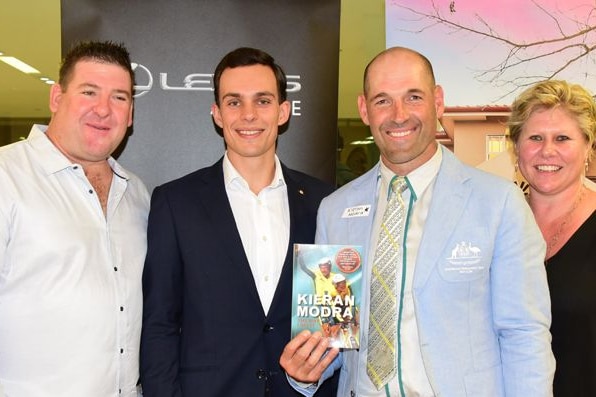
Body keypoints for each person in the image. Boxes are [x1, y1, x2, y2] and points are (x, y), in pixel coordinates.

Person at [280, 46, 555, 396]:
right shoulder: (335, 210)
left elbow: (524, 334)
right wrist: (308, 369)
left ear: (438, 102)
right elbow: (333, 333)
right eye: (382, 100)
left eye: (413, 97)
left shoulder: (498, 203)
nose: (398, 115)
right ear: (364, 109)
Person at [140, 47, 337, 397]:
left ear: (283, 111)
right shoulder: (175, 202)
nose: (248, 115)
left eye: (262, 101)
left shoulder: (326, 203)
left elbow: (334, 320)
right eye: (234, 102)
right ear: (217, 114)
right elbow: (159, 325)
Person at [0, 41, 149, 396]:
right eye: (89, 92)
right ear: (56, 98)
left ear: (130, 116)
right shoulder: (6, 177)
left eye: (119, 97)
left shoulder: (139, 195)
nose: (103, 109)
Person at [507, 79, 596, 396]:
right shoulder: (497, 225)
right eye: (534, 137)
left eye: (562, 138)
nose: (547, 150)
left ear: (587, 145)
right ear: (516, 147)